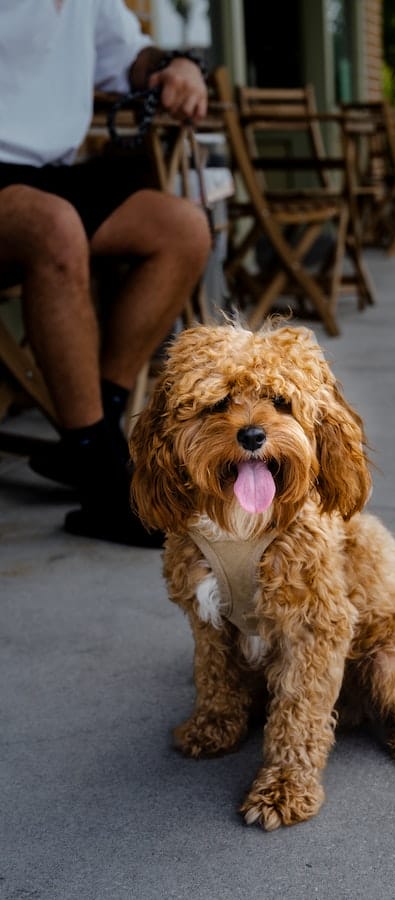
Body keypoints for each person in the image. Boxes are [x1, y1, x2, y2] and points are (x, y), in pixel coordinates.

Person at [0, 0, 212, 547]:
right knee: (56, 227)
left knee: (184, 230)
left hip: (49, 175)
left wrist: (177, 66)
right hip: (24, 194)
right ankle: (99, 477)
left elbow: (134, 58)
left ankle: (95, 432)